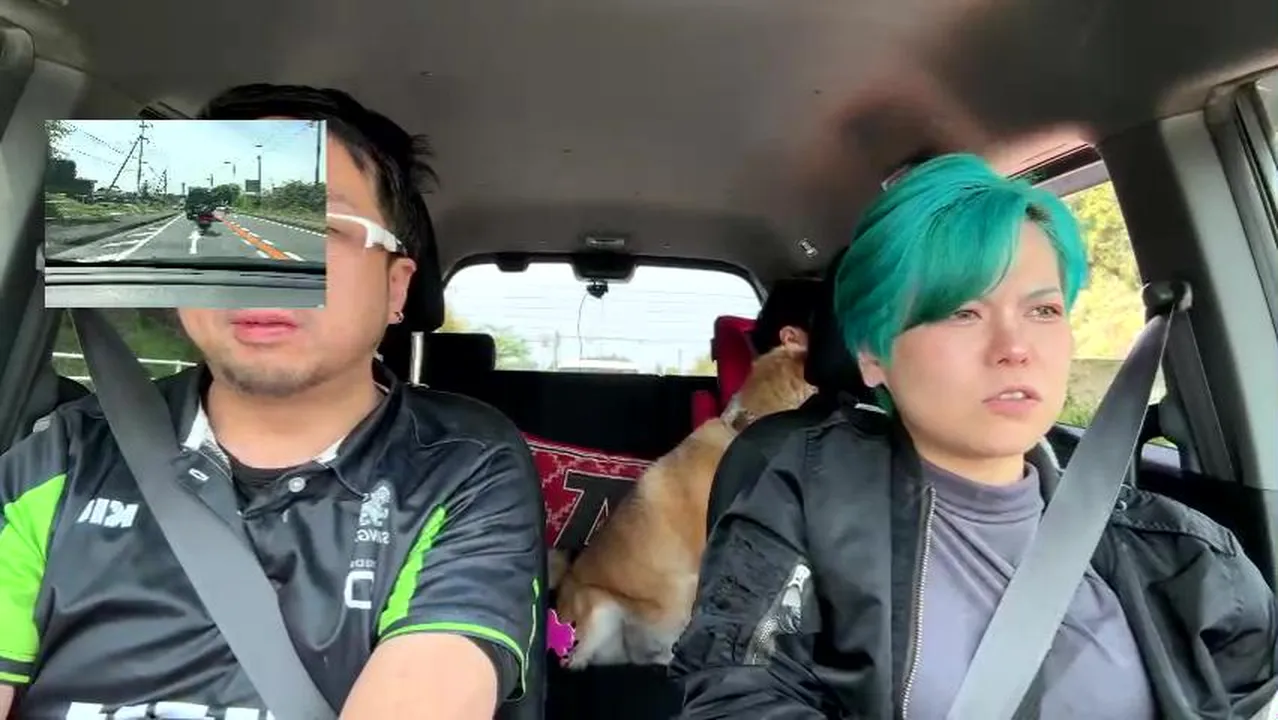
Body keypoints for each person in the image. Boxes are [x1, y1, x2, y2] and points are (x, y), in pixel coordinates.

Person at [0, 84, 545, 720]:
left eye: (316, 227)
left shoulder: (463, 465)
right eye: (215, 221)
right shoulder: (66, 453)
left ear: (397, 288)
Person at [669, 153, 1278, 719]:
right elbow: (738, 691)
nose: (1015, 348)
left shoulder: (1183, 553)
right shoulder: (797, 499)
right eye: (962, 312)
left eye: (1042, 310)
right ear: (873, 355)